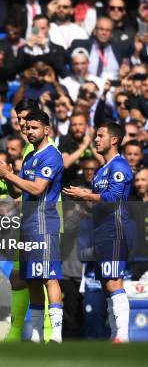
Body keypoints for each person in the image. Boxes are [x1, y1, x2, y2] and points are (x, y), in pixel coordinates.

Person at [0, 109, 64, 343]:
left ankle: (56, 335)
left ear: (46, 130)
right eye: (27, 128)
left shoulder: (52, 156)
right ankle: (38, 334)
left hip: (44, 223)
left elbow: (38, 188)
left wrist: (7, 176)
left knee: (49, 277)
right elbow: (18, 191)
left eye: (34, 128)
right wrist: (6, 177)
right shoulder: (30, 156)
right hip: (28, 224)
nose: (29, 132)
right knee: (31, 278)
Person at [63, 122, 132, 342]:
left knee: (113, 282)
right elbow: (97, 204)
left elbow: (112, 199)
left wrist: (86, 195)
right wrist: (83, 201)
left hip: (115, 231)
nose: (96, 140)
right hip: (101, 233)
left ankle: (123, 335)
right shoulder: (102, 170)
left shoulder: (119, 167)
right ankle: (115, 334)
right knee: (106, 285)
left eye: (100, 136)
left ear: (114, 140)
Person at [69, 17, 132, 81]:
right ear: (95, 31)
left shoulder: (120, 49)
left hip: (112, 88)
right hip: (86, 86)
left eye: (107, 30)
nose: (104, 33)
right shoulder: (80, 45)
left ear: (112, 34)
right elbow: (66, 65)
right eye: (101, 29)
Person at [58, 112, 98, 187]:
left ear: (86, 126)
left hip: (91, 188)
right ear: (70, 126)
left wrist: (91, 144)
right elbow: (65, 163)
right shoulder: (65, 140)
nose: (77, 128)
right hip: (70, 187)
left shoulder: (93, 140)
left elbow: (102, 161)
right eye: (74, 125)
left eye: (80, 124)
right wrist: (84, 146)